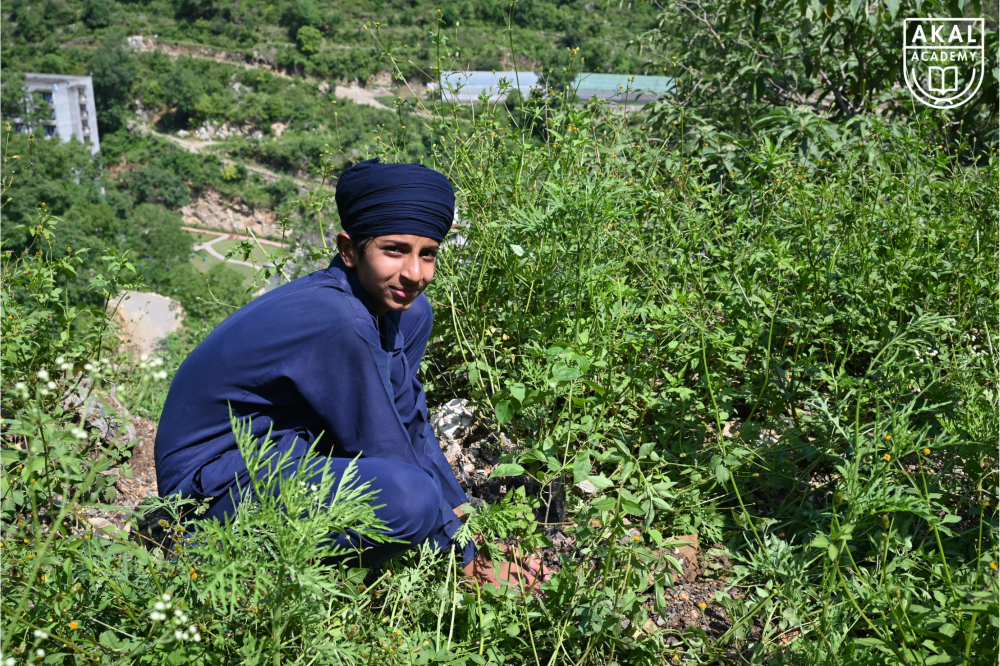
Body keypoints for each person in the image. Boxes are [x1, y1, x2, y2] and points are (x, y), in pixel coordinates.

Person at [155, 158, 544, 590]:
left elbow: (408, 424)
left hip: (285, 453)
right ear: (348, 249)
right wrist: (469, 561)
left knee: (418, 491)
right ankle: (192, 556)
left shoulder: (405, 313)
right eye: (394, 250)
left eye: (427, 254)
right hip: (211, 493)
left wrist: (468, 526)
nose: (414, 273)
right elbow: (380, 443)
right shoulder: (338, 318)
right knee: (408, 499)